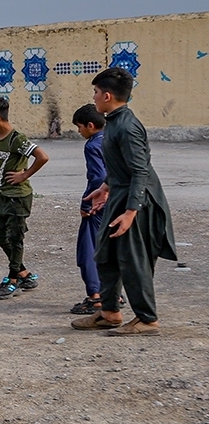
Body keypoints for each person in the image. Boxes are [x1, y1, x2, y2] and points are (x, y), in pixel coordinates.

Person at [72, 67, 178, 336]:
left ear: (107, 95)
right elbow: (122, 165)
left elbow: (140, 171)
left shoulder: (128, 127)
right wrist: (106, 187)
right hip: (119, 194)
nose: (93, 98)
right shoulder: (115, 122)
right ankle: (109, 312)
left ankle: (147, 319)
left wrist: (131, 212)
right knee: (105, 254)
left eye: (95, 92)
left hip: (138, 200)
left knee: (133, 261)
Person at [0, 96, 49, 299]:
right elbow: (2, 168)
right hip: (5, 195)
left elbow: (42, 156)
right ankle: (24, 273)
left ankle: (13, 279)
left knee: (16, 238)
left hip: (20, 196)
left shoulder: (17, 139)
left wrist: (24, 174)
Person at [70, 103, 107, 315]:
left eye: (80, 127)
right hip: (118, 200)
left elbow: (98, 177)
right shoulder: (113, 138)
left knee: (89, 248)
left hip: (99, 203)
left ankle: (96, 296)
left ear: (90, 126)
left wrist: (87, 203)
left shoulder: (93, 145)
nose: (79, 131)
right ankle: (112, 292)